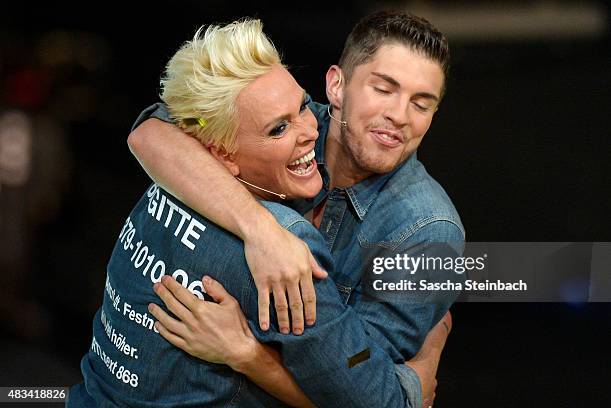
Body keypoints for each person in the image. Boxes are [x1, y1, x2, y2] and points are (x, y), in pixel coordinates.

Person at [68, 18, 446, 408]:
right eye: (278, 128)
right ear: (219, 153)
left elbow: (152, 132)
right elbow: (372, 399)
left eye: (422, 103)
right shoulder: (286, 252)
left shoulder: (171, 179)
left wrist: (247, 355)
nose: (309, 129)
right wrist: (416, 380)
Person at [128, 10, 464, 359]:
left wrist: (247, 357)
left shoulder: (429, 231)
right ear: (336, 86)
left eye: (421, 105)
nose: (400, 115)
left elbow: (364, 380)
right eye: (383, 89)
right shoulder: (295, 121)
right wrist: (261, 230)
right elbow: (152, 132)